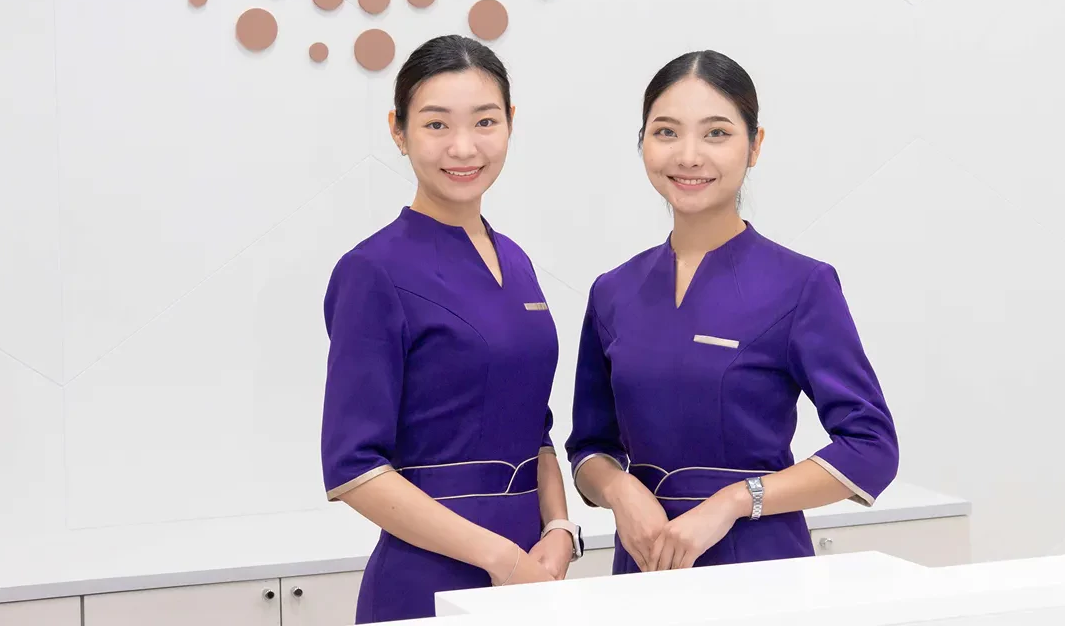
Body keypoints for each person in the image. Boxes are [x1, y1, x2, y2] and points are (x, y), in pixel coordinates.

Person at [567, 50, 899, 573]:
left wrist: (736, 501)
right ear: (643, 141)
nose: (689, 156)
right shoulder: (613, 291)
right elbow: (590, 448)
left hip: (759, 568)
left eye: (716, 133)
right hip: (644, 569)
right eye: (666, 132)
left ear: (755, 145)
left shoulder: (801, 285)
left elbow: (871, 447)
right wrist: (619, 489)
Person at [321, 36, 582, 623]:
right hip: (429, 581)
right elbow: (353, 467)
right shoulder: (373, 270)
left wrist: (560, 529)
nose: (463, 147)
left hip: (533, 575)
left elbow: (533, 425)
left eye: (485, 122)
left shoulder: (515, 260)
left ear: (510, 123)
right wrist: (500, 559)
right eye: (436, 124)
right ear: (398, 130)